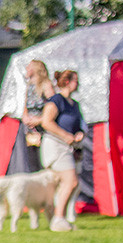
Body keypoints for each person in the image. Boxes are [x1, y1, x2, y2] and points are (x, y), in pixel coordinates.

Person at [39, 69, 85, 232]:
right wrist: (66, 135)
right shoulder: (56, 100)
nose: (78, 84)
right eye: (75, 80)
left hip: (69, 148)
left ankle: (59, 217)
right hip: (55, 146)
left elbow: (79, 126)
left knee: (66, 184)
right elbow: (46, 122)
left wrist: (79, 134)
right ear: (67, 82)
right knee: (71, 182)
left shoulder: (75, 105)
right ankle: (58, 219)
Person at [14, 59, 54, 173]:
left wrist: (41, 119)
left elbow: (54, 105)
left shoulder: (46, 85)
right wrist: (25, 116)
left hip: (43, 129)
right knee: (32, 162)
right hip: (31, 131)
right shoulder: (29, 86)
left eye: (29, 67)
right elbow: (25, 106)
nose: (26, 69)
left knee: (43, 161)